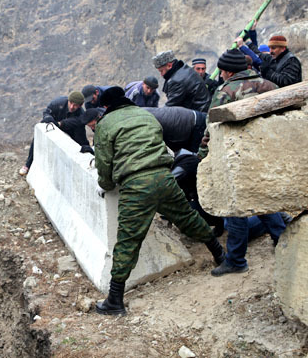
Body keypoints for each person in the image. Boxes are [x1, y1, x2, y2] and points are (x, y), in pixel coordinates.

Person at [93, 86, 224, 316]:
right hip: (165, 177)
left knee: (128, 240)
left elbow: (104, 165)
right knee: (188, 218)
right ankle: (220, 256)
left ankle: (115, 300)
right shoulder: (146, 115)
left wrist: (106, 184)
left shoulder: (105, 124)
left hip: (136, 185)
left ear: (105, 106)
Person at [197, 48, 287, 276]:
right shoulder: (269, 85)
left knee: (235, 206)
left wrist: (203, 154)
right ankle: (282, 241)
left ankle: (236, 260)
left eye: (222, 71)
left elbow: (211, 127)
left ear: (228, 72)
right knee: (262, 198)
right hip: (265, 155)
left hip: (236, 159)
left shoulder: (225, 91)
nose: (221, 75)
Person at [19, 91, 88, 176]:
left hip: (70, 130)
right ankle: (28, 164)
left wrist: (60, 124)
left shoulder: (81, 114)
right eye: (70, 103)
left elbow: (78, 125)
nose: (71, 107)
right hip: (52, 125)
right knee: (37, 137)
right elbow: (47, 112)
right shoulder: (58, 103)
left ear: (80, 105)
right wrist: (48, 118)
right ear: (68, 100)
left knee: (80, 142)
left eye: (75, 105)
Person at [171, 149, 224, 236]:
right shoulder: (185, 158)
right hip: (201, 196)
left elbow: (169, 182)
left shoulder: (184, 163)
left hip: (208, 201)